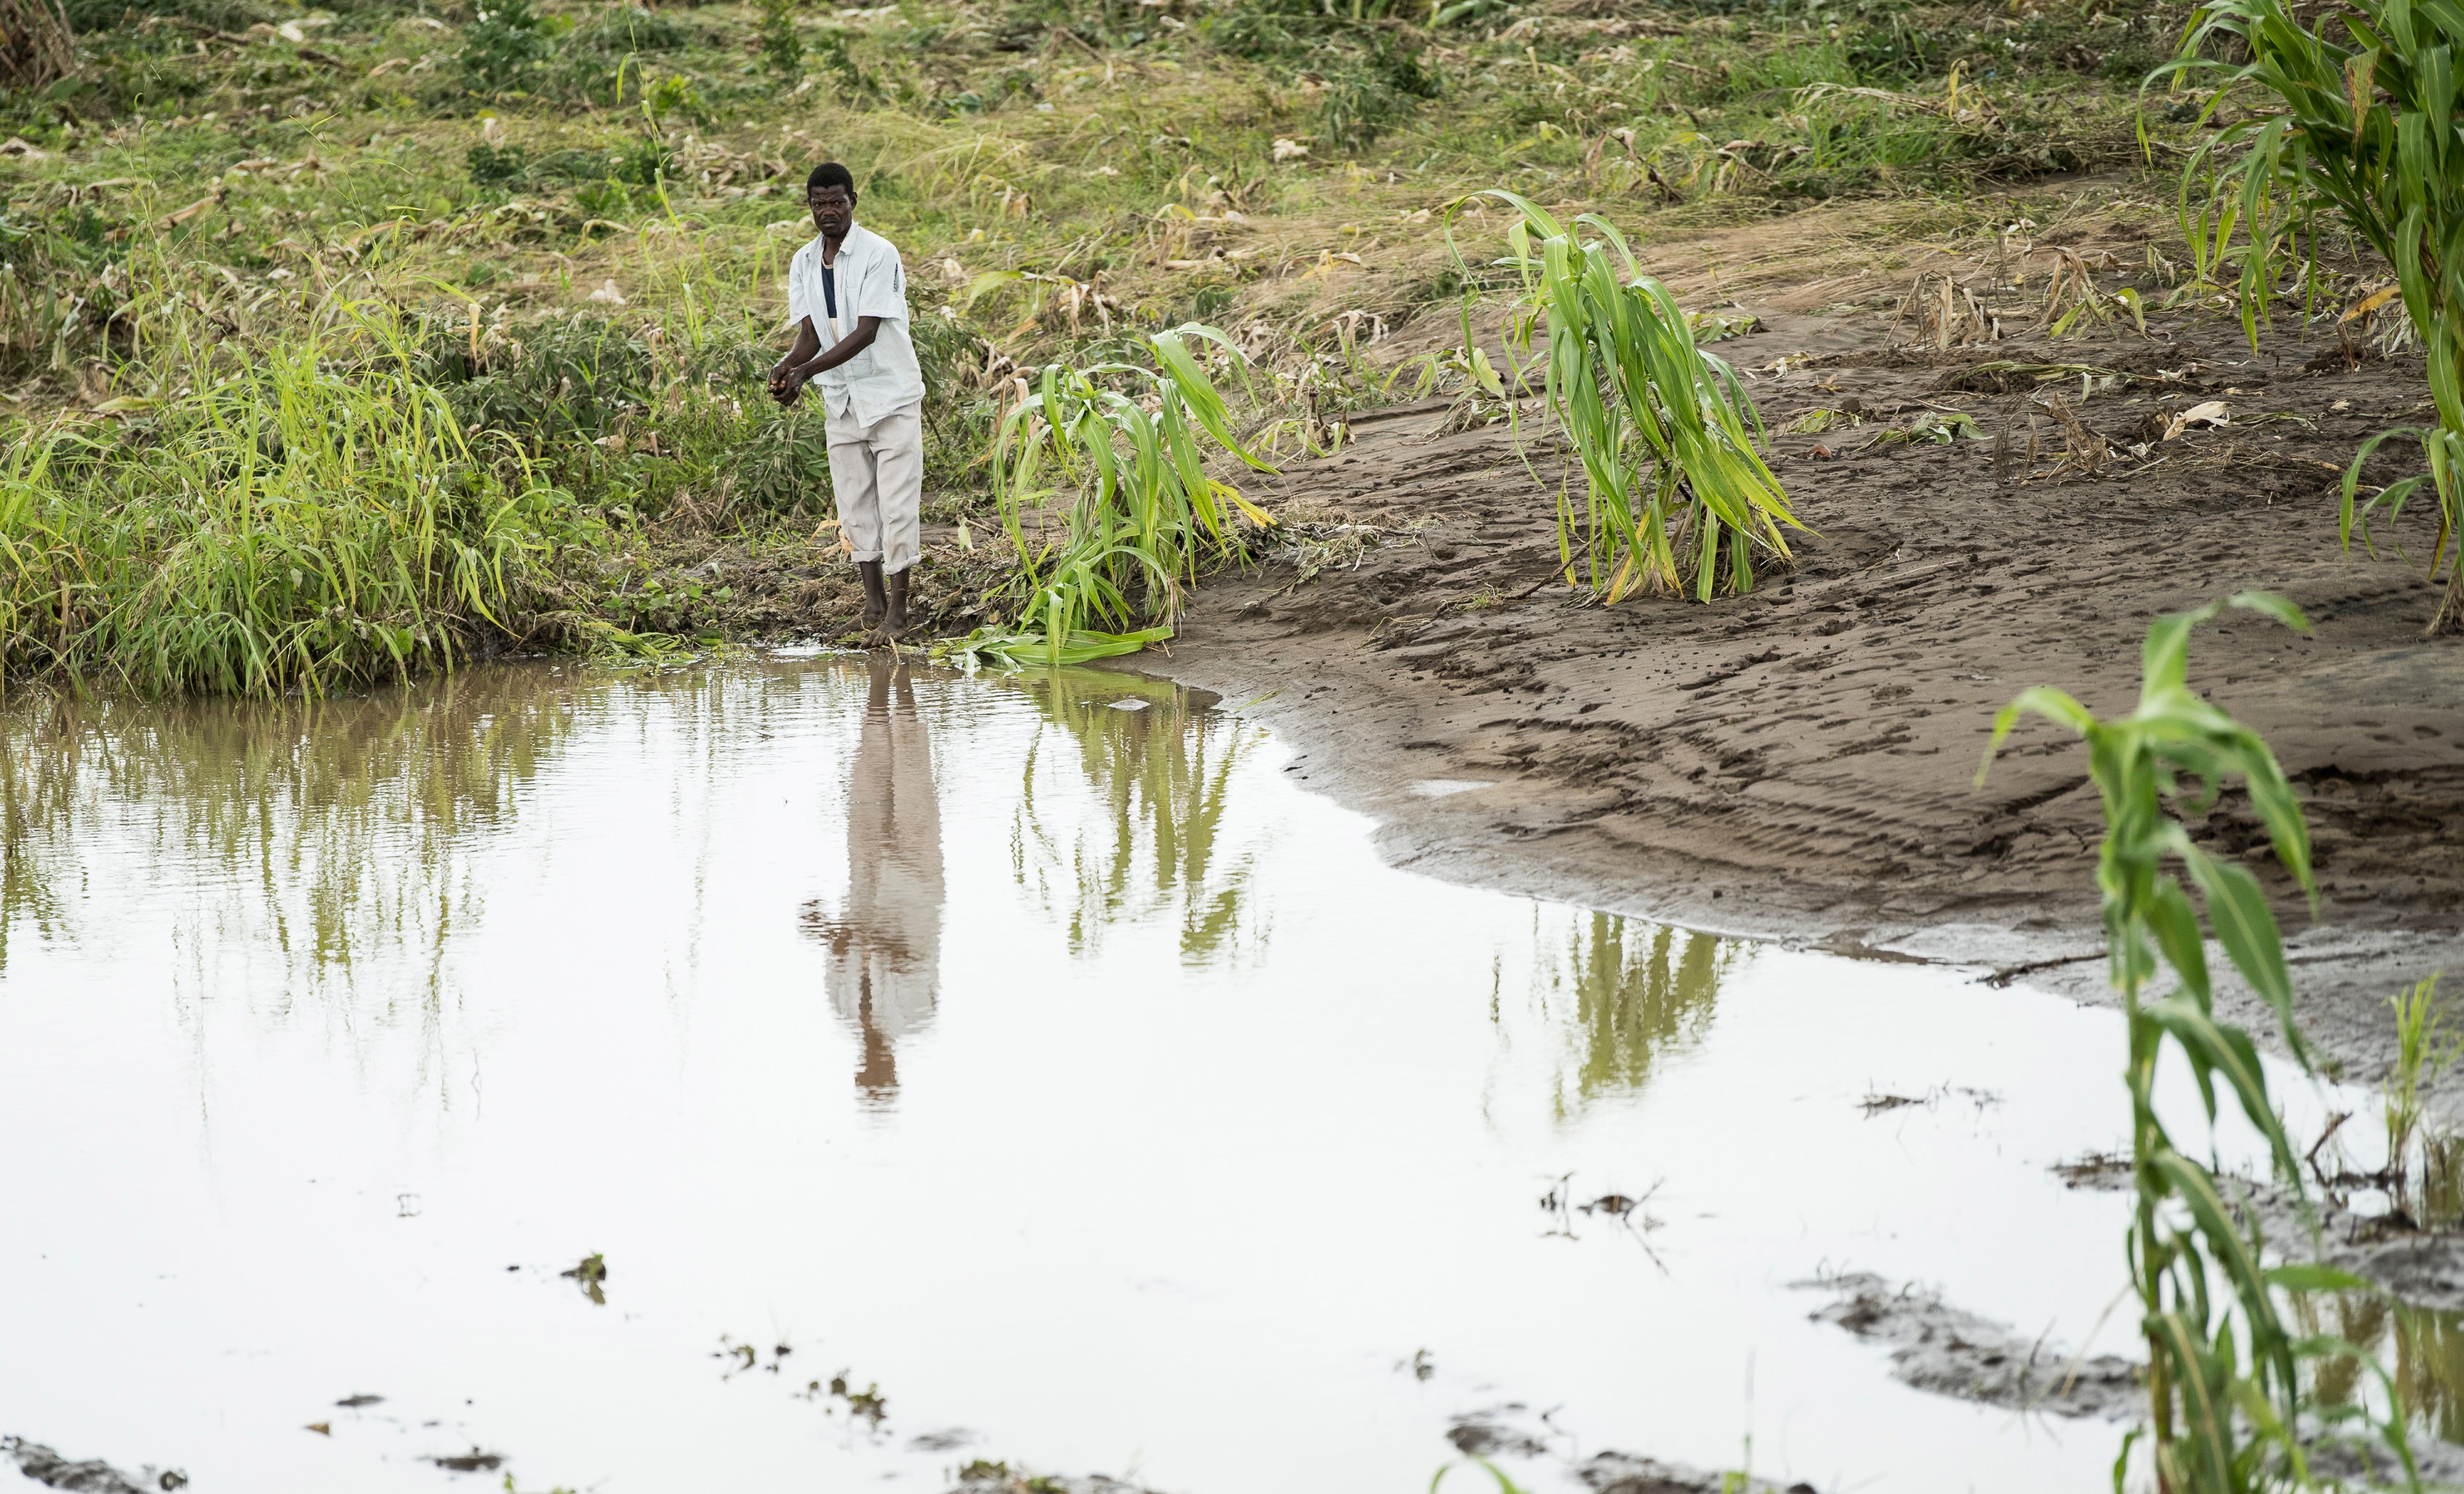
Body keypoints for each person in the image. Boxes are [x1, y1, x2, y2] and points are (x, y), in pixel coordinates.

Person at [767, 162, 926, 643]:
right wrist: (784, 367)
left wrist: (805, 372)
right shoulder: (803, 262)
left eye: (837, 201)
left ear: (853, 201)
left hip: (889, 396)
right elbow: (811, 335)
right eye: (820, 204)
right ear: (809, 207)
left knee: (897, 505)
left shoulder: (879, 253)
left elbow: (866, 330)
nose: (829, 211)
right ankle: (872, 606)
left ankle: (899, 615)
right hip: (842, 401)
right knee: (855, 504)